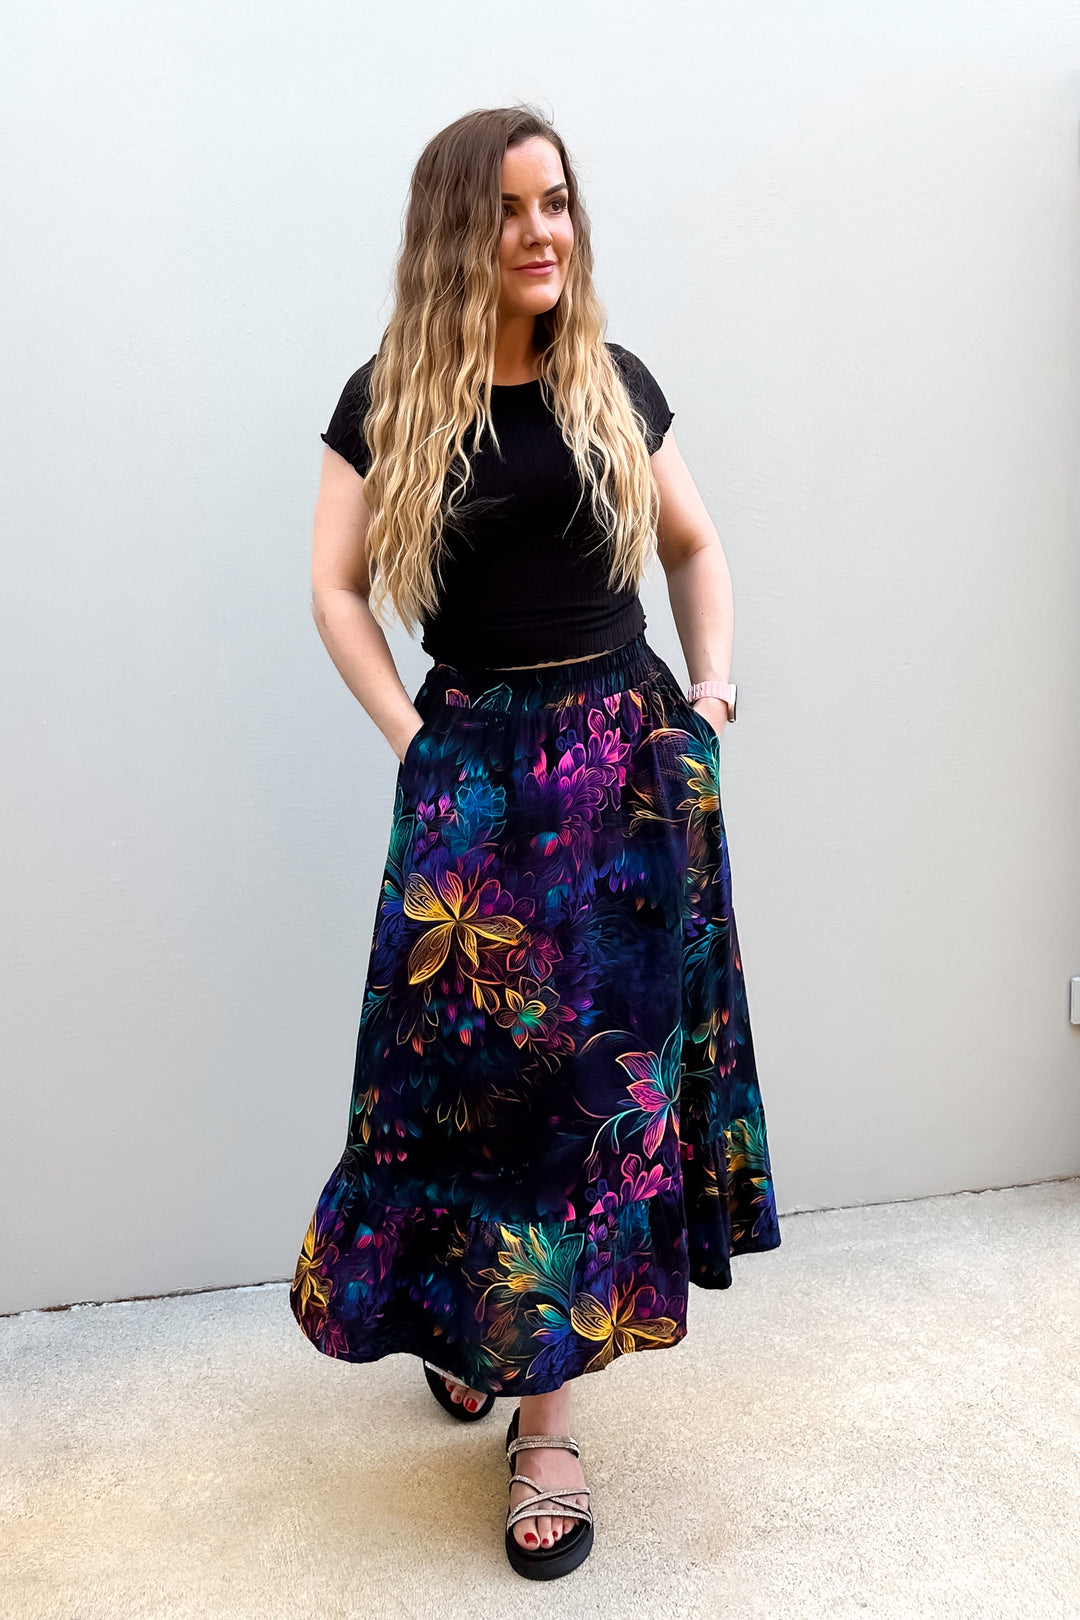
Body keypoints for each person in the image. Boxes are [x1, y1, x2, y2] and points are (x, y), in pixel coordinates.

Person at [290, 103, 781, 1581]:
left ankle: (547, 1423)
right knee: (459, 1085)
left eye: (555, 201)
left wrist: (709, 699)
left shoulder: (611, 383)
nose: (541, 230)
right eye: (508, 208)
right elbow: (334, 586)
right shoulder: (389, 398)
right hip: (481, 780)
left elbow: (693, 544)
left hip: (625, 781)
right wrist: (414, 737)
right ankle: (476, 1321)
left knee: (582, 1102)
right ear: (458, 229)